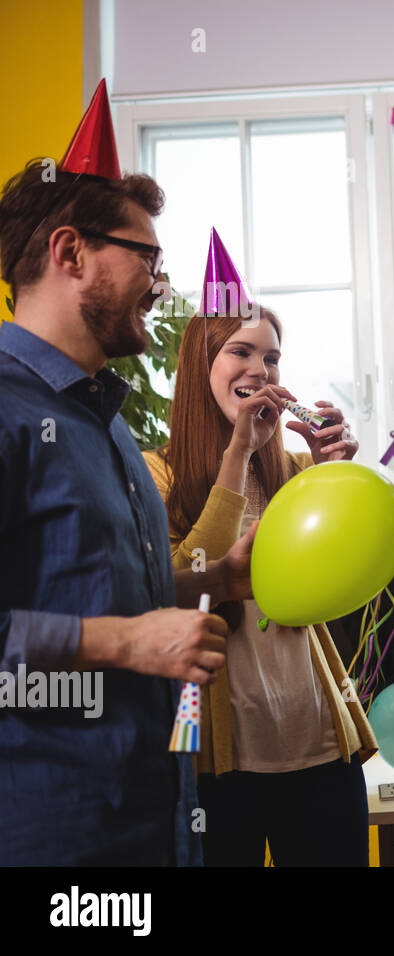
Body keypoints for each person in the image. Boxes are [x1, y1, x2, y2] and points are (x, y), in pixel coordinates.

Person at [0, 86, 254, 866]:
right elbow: (118, 631)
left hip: (159, 822)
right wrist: (127, 642)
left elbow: (89, 590)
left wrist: (215, 580)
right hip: (56, 835)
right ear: (71, 253)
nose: (162, 285)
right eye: (147, 258)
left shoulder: (107, 421)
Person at [142, 230, 377, 866]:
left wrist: (334, 482)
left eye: (272, 358)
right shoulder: (154, 474)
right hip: (217, 763)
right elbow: (173, 577)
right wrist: (237, 453)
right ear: (202, 367)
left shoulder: (299, 471)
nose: (260, 370)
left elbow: (340, 582)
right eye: (240, 352)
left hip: (319, 746)